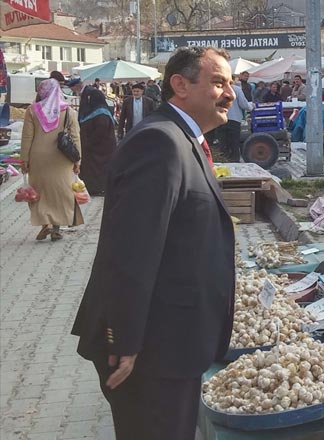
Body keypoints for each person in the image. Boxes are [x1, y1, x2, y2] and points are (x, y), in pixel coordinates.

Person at [71, 46, 236, 440]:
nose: (230, 93)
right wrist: (124, 341)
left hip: (171, 341)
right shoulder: (160, 143)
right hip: (147, 351)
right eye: (217, 83)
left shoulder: (182, 139)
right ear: (179, 85)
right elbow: (129, 250)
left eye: (230, 83)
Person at [20, 79, 83, 241]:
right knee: (60, 192)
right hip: (61, 158)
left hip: (38, 157)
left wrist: (24, 159)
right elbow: (75, 136)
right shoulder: (67, 110)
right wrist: (78, 161)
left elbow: (27, 137)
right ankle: (56, 227)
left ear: (42, 92)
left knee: (40, 191)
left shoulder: (32, 110)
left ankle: (45, 224)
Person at [78, 87, 117, 196]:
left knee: (100, 170)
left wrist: (89, 143)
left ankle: (99, 188)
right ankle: (92, 187)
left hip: (100, 148)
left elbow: (101, 130)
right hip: (95, 148)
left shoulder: (101, 113)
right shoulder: (96, 111)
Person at [220, 75, 253, 162]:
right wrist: (251, 107)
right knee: (234, 143)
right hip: (234, 120)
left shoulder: (219, 89)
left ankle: (223, 161)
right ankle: (234, 162)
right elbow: (244, 104)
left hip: (221, 120)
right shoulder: (236, 89)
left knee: (223, 143)